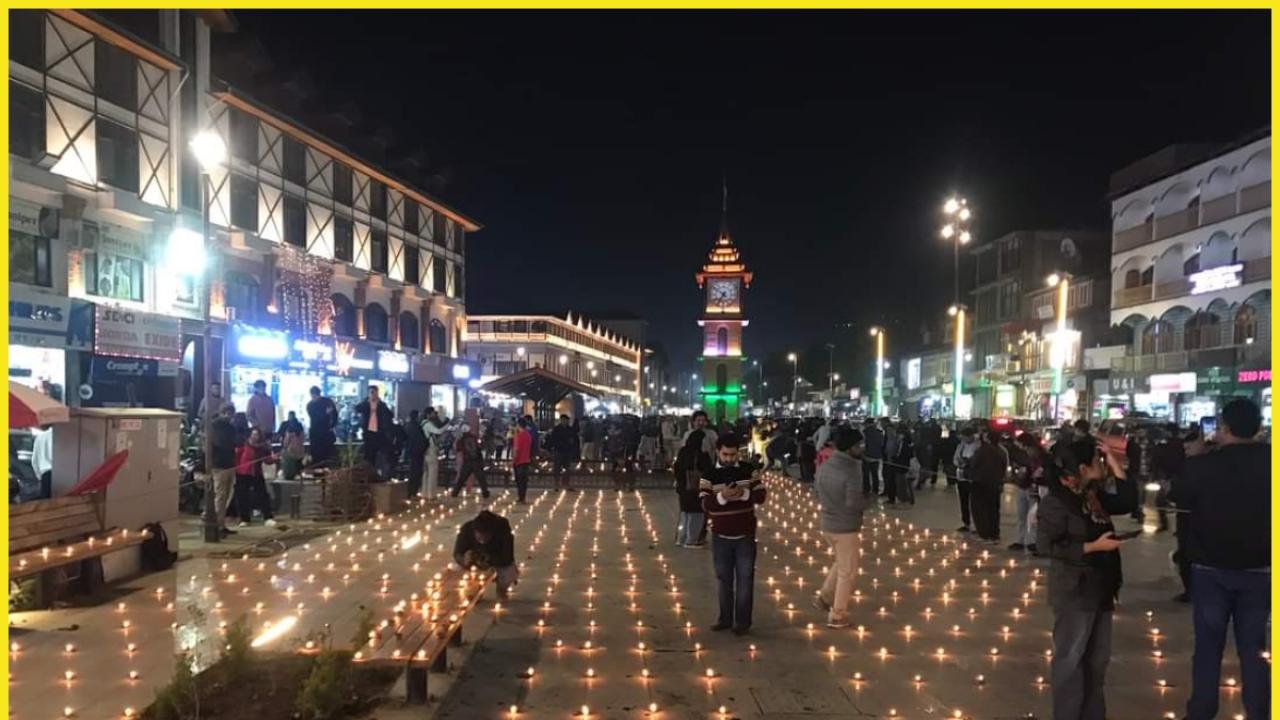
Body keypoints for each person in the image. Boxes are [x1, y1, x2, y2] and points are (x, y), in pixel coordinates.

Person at [1174, 399, 1270, 720]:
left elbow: (1178, 495)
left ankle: (1201, 711)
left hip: (1210, 568)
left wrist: (1194, 457)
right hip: (1260, 569)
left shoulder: (1205, 464)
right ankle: (1259, 710)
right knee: (1255, 649)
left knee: (1208, 649)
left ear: (1224, 428)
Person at [1038, 438, 1133, 720]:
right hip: (1075, 591)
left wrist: (1114, 462)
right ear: (1081, 468)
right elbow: (1046, 546)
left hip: (1102, 587)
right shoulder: (1057, 502)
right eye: (1096, 460)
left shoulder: (1092, 495)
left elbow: (1127, 501)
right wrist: (1093, 547)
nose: (1100, 464)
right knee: (1070, 659)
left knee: (1097, 661)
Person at [699, 433, 766, 635]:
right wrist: (723, 497)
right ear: (718, 451)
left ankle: (742, 622)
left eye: (733, 454)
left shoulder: (748, 470)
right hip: (720, 536)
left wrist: (744, 494)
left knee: (745, 580)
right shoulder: (709, 474)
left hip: (745, 534)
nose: (729, 458)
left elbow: (760, 496)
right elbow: (705, 503)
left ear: (739, 453)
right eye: (725, 454)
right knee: (723, 580)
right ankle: (725, 618)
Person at [812, 426, 869, 628]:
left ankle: (825, 597)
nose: (862, 448)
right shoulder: (852, 469)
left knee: (841, 563)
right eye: (859, 445)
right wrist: (867, 503)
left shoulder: (825, 465)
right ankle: (838, 614)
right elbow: (853, 502)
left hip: (827, 523)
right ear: (849, 448)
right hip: (846, 526)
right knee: (848, 571)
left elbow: (816, 491)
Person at [453, 509, 518, 600]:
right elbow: (457, 553)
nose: (482, 539)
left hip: (497, 561)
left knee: (509, 574)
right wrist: (464, 560)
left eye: (486, 536)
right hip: (474, 562)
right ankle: (474, 591)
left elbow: (507, 557)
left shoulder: (503, 532)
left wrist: (490, 560)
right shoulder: (466, 530)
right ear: (474, 531)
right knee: (456, 571)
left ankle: (501, 589)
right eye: (479, 536)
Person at [673, 428, 713, 547]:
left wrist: (680, 484)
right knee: (697, 515)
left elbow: (677, 469)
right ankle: (692, 540)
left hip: (684, 488)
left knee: (686, 515)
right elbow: (708, 472)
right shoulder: (702, 455)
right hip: (696, 490)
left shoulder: (683, 451)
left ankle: (682, 538)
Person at [1009, 431, 1047, 553]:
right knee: (1022, 515)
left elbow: (1041, 471)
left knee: (1033, 516)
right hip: (1022, 486)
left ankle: (1033, 542)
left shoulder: (1041, 455)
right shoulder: (1021, 454)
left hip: (1034, 488)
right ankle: (1021, 540)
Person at [968, 430, 1006, 543]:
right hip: (995, 484)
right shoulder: (1001, 451)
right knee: (993, 510)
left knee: (980, 509)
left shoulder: (983, 451)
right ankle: (994, 534)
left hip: (980, 483)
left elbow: (973, 464)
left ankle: (984, 534)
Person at [234, 427, 276, 528]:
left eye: (257, 435)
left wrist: (273, 459)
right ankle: (244, 519)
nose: (255, 437)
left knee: (263, 495)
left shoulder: (263, 448)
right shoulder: (243, 445)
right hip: (243, 473)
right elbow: (236, 457)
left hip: (256, 473)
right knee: (243, 497)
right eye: (253, 434)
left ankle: (268, 517)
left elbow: (267, 460)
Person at [207, 405, 238, 536]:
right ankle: (217, 525)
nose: (231, 416)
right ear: (224, 413)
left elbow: (235, 442)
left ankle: (221, 523)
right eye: (229, 413)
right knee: (220, 496)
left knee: (227, 495)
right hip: (219, 465)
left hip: (229, 463)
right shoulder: (215, 427)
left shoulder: (231, 427)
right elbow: (219, 443)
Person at [355, 385, 394, 478]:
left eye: (374, 392)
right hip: (368, 433)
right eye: (371, 392)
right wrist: (367, 401)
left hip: (379, 433)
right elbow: (357, 408)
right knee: (369, 455)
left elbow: (390, 415)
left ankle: (381, 475)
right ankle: (368, 474)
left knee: (382, 456)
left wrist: (380, 403)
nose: (373, 394)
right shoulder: (366, 404)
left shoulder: (381, 405)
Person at [952, 427, 980, 532]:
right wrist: (959, 463)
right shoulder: (961, 446)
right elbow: (955, 458)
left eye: (966, 437)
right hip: (961, 476)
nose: (964, 439)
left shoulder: (977, 446)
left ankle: (975, 524)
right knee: (963, 501)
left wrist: (968, 463)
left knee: (973, 502)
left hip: (972, 478)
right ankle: (966, 522)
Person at [451, 424, 489, 499]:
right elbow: (480, 447)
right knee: (481, 479)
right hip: (477, 461)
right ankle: (485, 493)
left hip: (467, 461)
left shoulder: (461, 440)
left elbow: (458, 449)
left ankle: (455, 492)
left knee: (462, 478)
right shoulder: (475, 437)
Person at [305, 387, 338, 467]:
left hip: (326, 432)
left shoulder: (328, 402)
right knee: (316, 456)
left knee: (327, 455)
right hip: (315, 433)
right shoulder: (310, 405)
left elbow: (335, 414)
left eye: (315, 396)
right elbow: (315, 417)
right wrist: (325, 413)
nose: (314, 398)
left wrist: (332, 425)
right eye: (312, 396)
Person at [548, 415, 577, 491]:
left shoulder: (570, 429)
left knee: (567, 468)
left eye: (566, 420)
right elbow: (553, 439)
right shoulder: (557, 429)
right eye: (563, 420)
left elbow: (574, 440)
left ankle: (566, 483)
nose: (564, 422)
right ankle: (556, 484)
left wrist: (572, 447)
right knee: (557, 468)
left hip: (567, 451)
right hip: (559, 451)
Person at [422, 408, 446, 498]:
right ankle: (431, 494)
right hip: (430, 448)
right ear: (429, 414)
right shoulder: (428, 424)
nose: (435, 415)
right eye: (433, 413)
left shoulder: (422, 423)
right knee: (432, 471)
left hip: (424, 449)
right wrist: (446, 425)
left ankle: (425, 493)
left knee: (426, 472)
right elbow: (438, 431)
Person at [404, 409, 428, 498]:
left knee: (413, 472)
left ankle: (411, 492)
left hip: (411, 451)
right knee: (416, 472)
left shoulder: (407, 426)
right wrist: (426, 445)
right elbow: (421, 439)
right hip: (417, 451)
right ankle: (413, 492)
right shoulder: (416, 426)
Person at [511, 417, 533, 503]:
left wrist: (513, 461)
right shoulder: (528, 435)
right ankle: (523, 497)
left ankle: (520, 497)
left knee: (519, 481)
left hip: (519, 461)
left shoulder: (518, 436)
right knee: (524, 481)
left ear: (518, 425)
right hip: (526, 460)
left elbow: (516, 449)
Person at [861, 418, 885, 496]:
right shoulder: (879, 432)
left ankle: (866, 490)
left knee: (866, 475)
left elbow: (863, 444)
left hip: (866, 456)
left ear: (867, 424)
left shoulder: (865, 432)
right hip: (876, 456)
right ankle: (875, 490)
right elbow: (882, 444)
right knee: (875, 474)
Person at [30, 424, 53, 499]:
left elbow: (34, 461)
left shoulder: (39, 437)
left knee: (45, 504)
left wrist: (39, 476)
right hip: (59, 475)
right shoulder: (59, 436)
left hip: (45, 475)